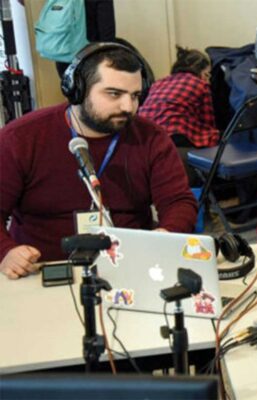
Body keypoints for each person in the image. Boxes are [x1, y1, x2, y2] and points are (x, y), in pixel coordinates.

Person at [0, 42, 198, 280]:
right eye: (114, 94)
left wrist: (167, 233)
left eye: (135, 96)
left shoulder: (151, 137)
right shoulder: (21, 138)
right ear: (78, 90)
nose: (128, 107)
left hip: (129, 268)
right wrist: (6, 252)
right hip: (43, 271)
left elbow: (178, 201)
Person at [138, 46, 219, 184]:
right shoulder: (200, 84)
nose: (208, 81)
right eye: (207, 75)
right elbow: (207, 124)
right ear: (199, 72)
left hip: (145, 135)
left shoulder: (159, 82)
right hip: (174, 136)